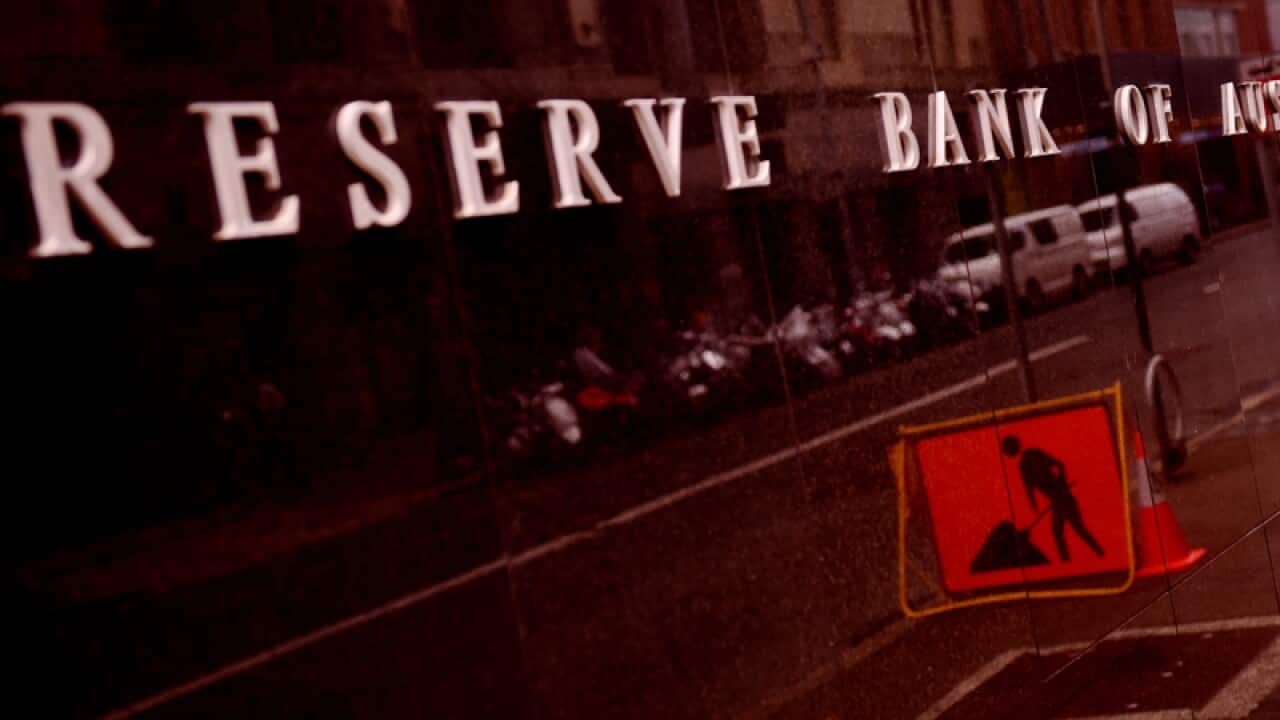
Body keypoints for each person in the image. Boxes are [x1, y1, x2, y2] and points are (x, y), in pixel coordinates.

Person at [1002, 435, 1105, 562]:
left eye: (1009, 448)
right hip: (1057, 502)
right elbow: (1029, 489)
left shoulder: (1034, 454)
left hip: (1064, 499)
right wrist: (1034, 505)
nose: (1009, 452)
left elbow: (1059, 465)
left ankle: (1099, 554)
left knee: (1077, 530)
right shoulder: (1023, 466)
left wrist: (1062, 482)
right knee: (1060, 532)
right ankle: (1069, 562)